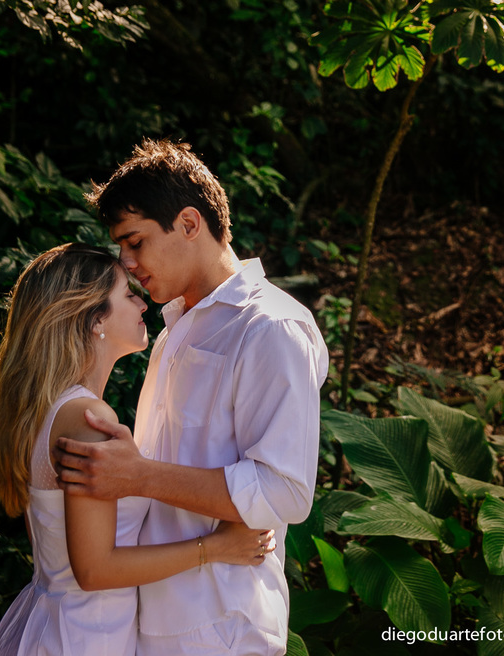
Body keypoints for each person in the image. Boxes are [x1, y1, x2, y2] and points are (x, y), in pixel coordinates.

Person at [55, 140, 329, 655]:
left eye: (134, 242)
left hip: (222, 622)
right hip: (148, 612)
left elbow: (285, 492)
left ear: (187, 223)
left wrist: (137, 475)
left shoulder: (270, 328)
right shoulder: (172, 329)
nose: (127, 263)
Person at [0, 243, 275, 656]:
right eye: (127, 293)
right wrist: (218, 548)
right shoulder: (87, 419)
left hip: (58, 620)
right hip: (84, 636)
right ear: (94, 318)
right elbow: (94, 570)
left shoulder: (51, 409)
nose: (143, 303)